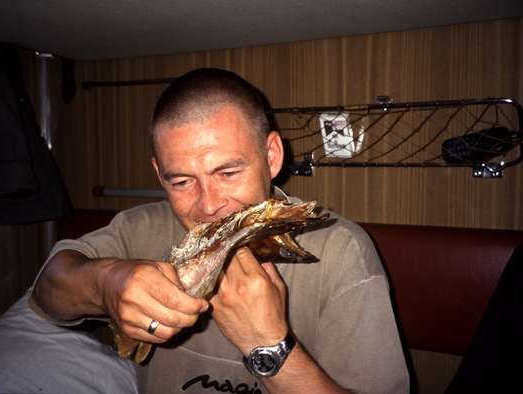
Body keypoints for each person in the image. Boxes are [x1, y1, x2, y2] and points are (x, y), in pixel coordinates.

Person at [32, 68, 409, 394]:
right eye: (181, 181)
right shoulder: (141, 227)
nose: (209, 206)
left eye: (227, 173)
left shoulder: (342, 251)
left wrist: (268, 346)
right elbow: (47, 292)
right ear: (158, 173)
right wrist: (105, 284)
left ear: (272, 156)